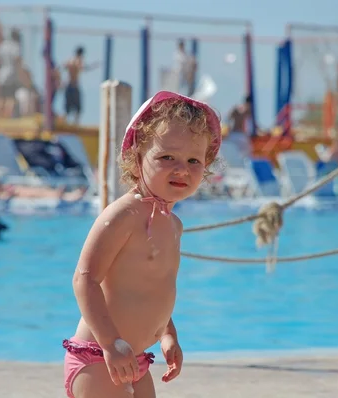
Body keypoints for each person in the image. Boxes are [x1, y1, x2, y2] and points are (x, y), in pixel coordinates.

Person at [63, 91, 222, 398]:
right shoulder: (124, 215)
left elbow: (156, 289)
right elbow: (84, 279)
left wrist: (168, 335)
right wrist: (110, 343)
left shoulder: (173, 225)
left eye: (194, 160)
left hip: (134, 358)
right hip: (101, 354)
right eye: (167, 158)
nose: (182, 169)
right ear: (137, 158)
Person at [63, 46, 100, 125]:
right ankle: (75, 123)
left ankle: (67, 122)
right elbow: (83, 68)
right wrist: (94, 65)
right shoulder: (78, 60)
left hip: (68, 85)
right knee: (78, 107)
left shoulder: (70, 60)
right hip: (74, 86)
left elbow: (64, 66)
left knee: (68, 106)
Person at [0, 28, 22, 117]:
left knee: (0, 97)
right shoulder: (15, 46)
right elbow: (17, 59)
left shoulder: (3, 45)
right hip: (11, 74)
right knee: (10, 98)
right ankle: (7, 116)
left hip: (1, 74)